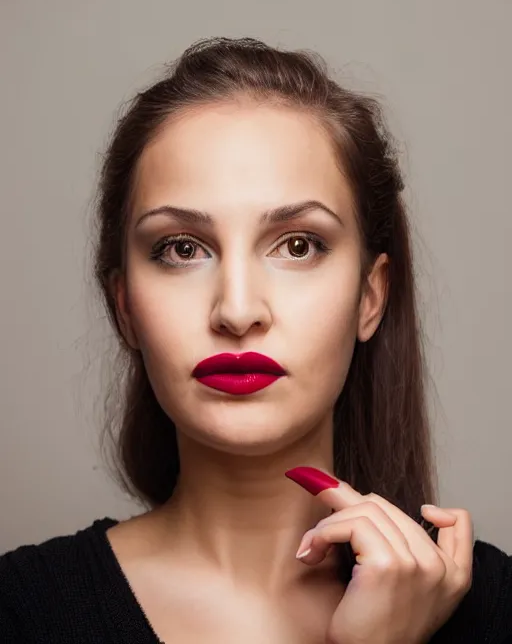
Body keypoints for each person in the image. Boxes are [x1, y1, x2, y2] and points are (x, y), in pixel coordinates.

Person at [0, 37, 510, 644]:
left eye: (298, 245)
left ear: (370, 297)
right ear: (125, 307)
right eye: (182, 249)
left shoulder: (493, 615)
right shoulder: (21, 614)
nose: (237, 311)